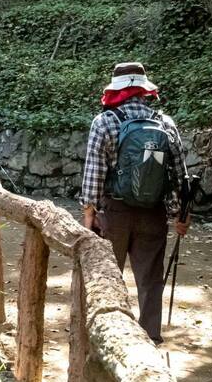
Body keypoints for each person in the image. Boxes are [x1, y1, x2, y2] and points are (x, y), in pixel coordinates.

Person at [80, 62, 188, 344]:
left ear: (116, 89)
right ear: (143, 88)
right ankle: (150, 336)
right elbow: (178, 174)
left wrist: (89, 213)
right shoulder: (165, 123)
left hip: (114, 213)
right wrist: (179, 214)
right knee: (150, 278)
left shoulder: (104, 122)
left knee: (105, 274)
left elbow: (94, 171)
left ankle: (104, 335)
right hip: (153, 213)